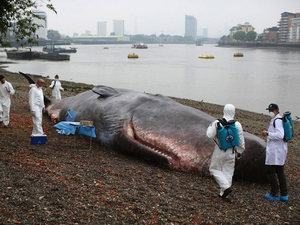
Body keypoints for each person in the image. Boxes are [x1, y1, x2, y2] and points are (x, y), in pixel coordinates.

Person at [206, 104, 245, 200]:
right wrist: (239, 152)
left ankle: (225, 187)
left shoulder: (217, 123)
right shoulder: (237, 125)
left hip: (220, 151)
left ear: (223, 111)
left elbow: (209, 135)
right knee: (228, 172)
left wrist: (210, 127)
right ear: (234, 112)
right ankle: (224, 193)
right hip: (232, 152)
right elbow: (241, 140)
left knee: (214, 169)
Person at [262, 103, 288, 202]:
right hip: (280, 150)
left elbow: (280, 135)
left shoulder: (277, 121)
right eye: (269, 110)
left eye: (272, 110)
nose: (270, 112)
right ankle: (284, 195)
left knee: (271, 171)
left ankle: (274, 193)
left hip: (276, 150)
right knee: (280, 171)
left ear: (277, 111)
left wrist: (267, 133)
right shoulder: (279, 120)